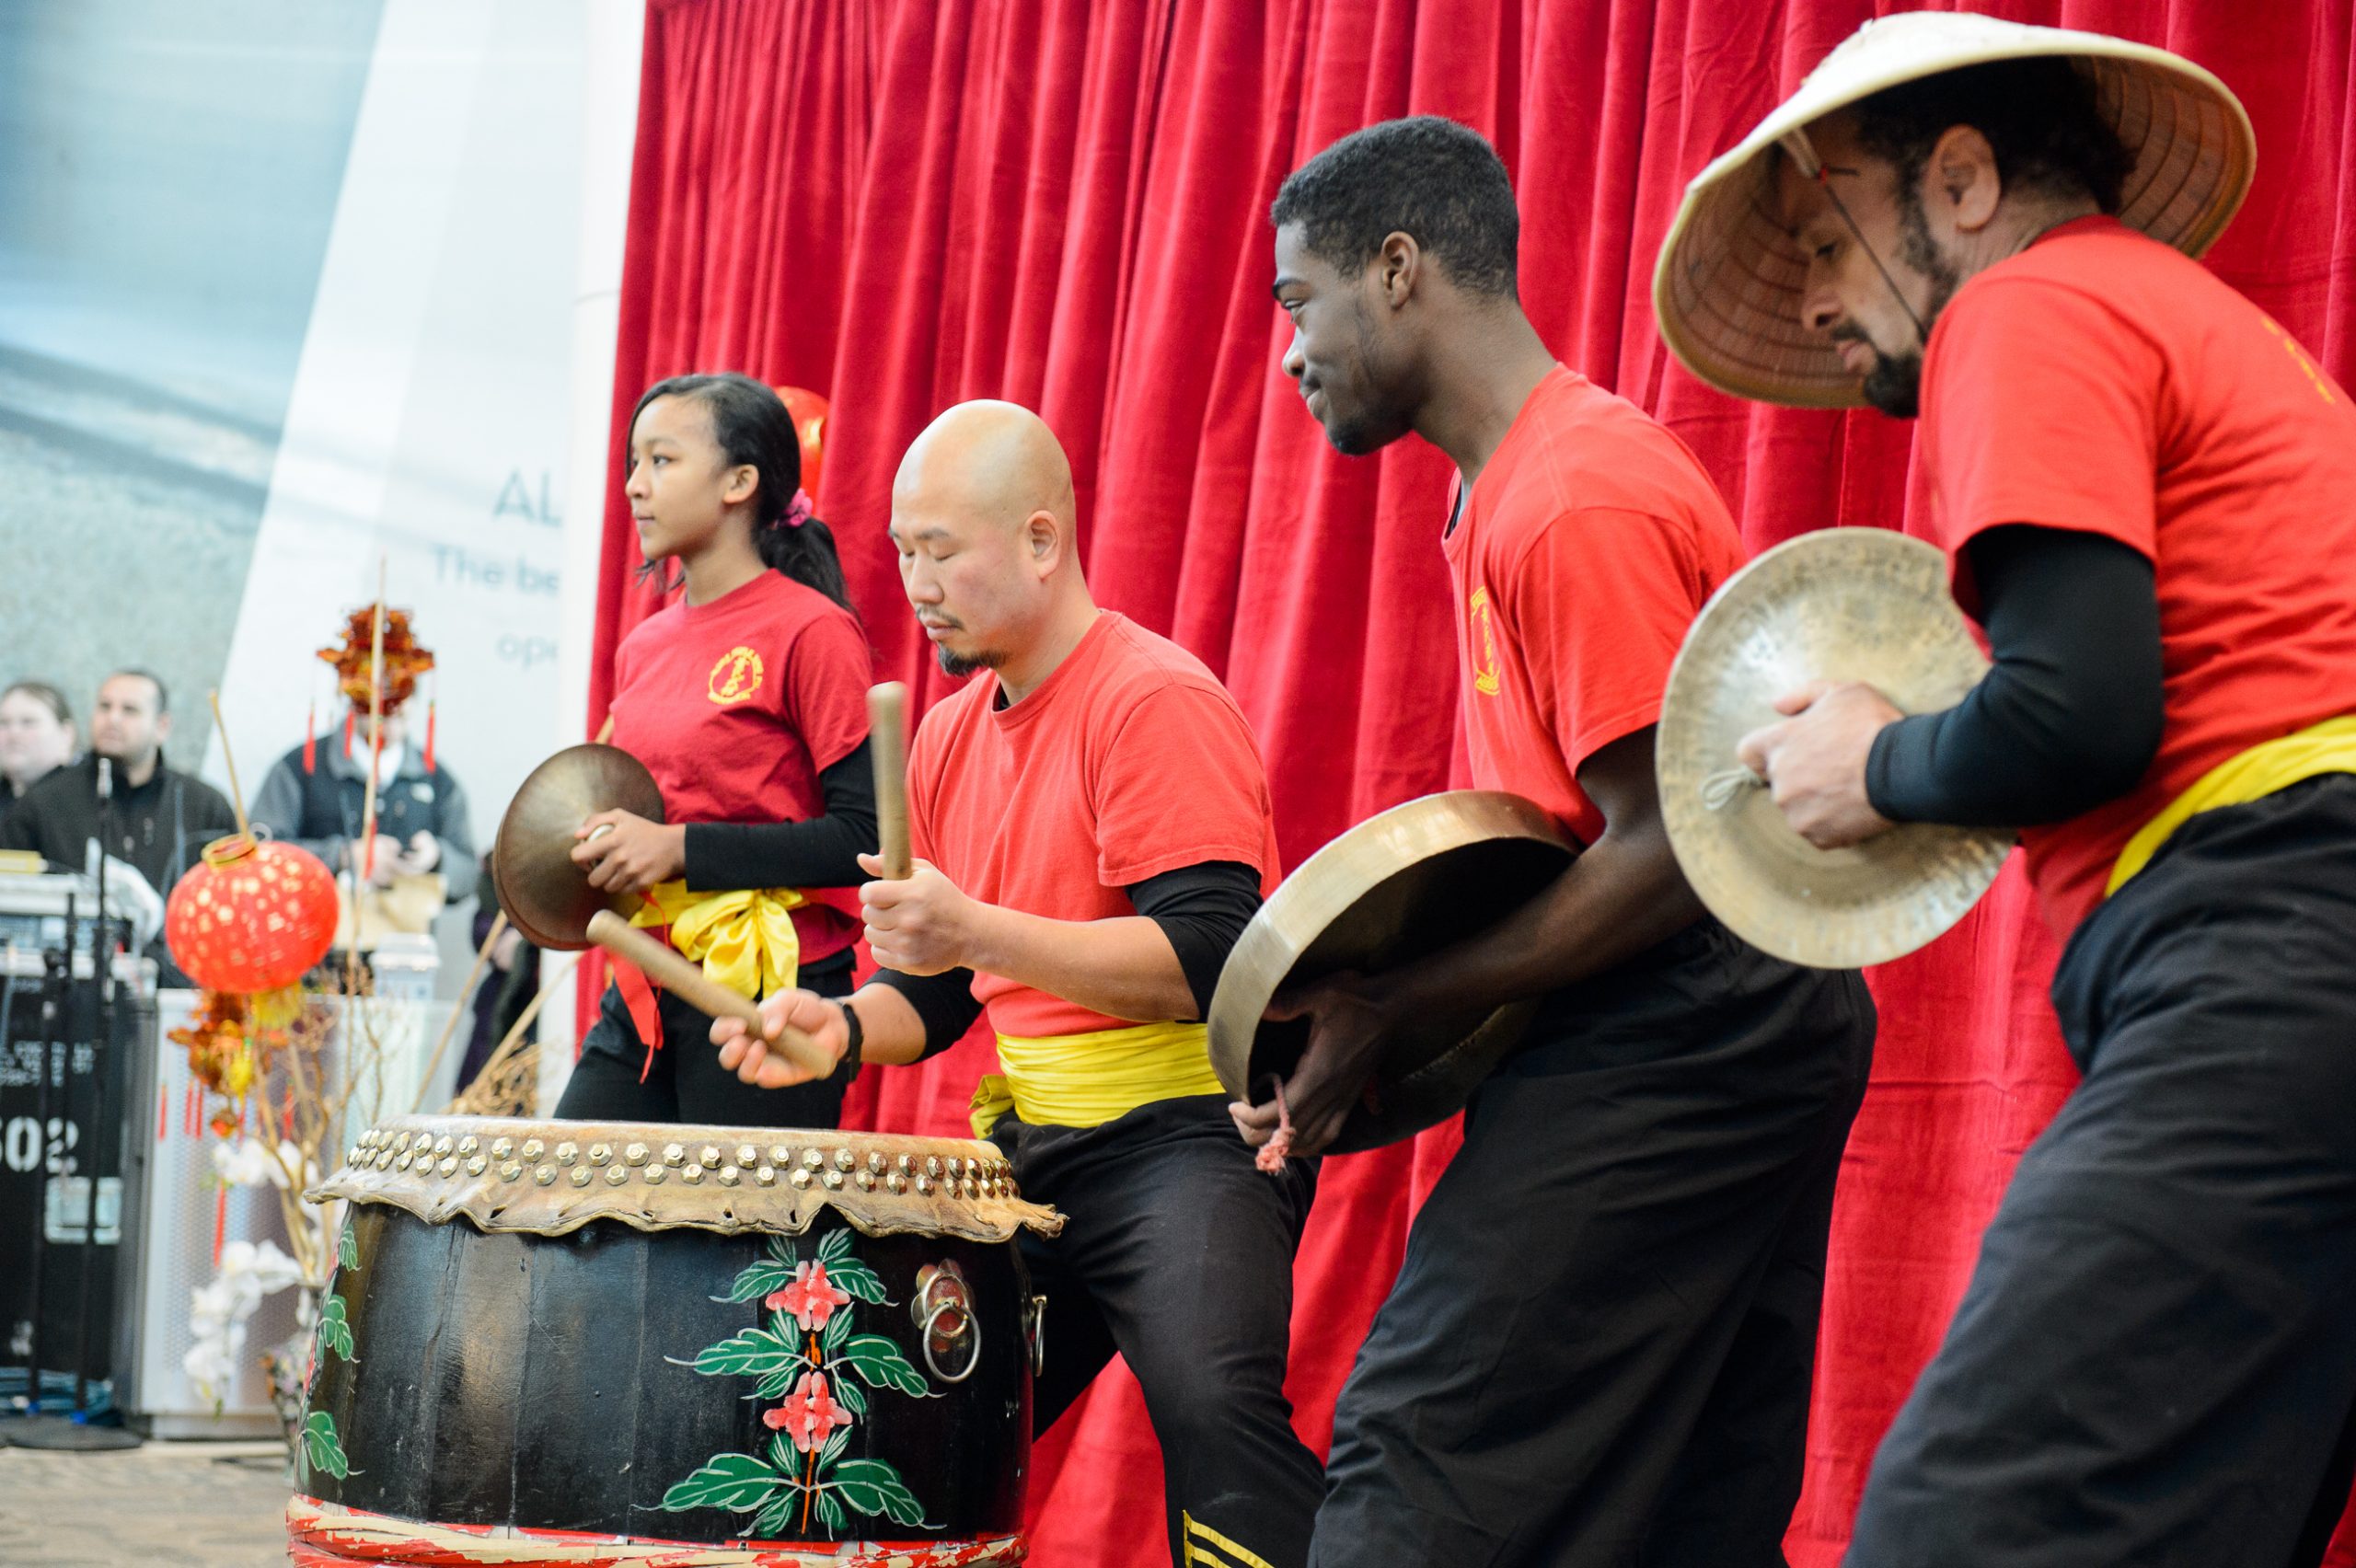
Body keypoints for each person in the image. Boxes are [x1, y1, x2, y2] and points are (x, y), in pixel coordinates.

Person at [1655, 15, 2356, 1565]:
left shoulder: (2024, 306)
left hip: (2280, 940)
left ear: (1961, 180)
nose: (1822, 300)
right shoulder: (2188, 324)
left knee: (1967, 1525)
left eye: (1826, 240)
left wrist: (1875, 761)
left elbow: (2079, 712)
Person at [1246, 118, 1876, 1567]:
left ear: (1397, 270)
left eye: (1301, 303)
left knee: (1421, 1463)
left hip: (1700, 1016)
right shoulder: (1499, 491)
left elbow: (1673, 855)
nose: (1290, 352)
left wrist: (1395, 1004)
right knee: (1681, 1515)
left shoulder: (1574, 492)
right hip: (1715, 1012)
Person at [713, 400, 1325, 1568]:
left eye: (941, 549)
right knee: (884, 1420)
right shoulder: (943, 738)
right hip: (1039, 1150)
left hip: (1195, 1136)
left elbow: (1209, 959)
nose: (916, 581)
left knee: (1212, 1409)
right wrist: (835, 1032)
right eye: (902, 551)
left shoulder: (1151, 700)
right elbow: (939, 996)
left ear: (1042, 542)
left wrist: (974, 924)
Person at [553, 372, 879, 1128]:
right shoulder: (645, 644)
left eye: (662, 462)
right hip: (645, 985)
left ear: (741, 481)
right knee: (565, 1216)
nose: (636, 486)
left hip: (768, 990)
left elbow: (865, 842)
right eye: (634, 464)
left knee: (738, 1246)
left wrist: (678, 850)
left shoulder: (811, 629)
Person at [2, 670, 240, 974]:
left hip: (179, 985)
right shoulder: (45, 802)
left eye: (130, 710)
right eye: (104, 706)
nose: (112, 718)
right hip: (70, 981)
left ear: (162, 726)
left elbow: (232, 901)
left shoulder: (202, 804)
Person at [250, 706, 479, 909]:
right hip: (315, 942)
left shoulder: (439, 781)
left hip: (405, 946)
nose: (391, 702)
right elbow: (258, 856)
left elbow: (470, 875)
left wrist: (437, 858)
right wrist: (344, 856)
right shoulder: (299, 768)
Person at [0, 680, 77, 832]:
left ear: (66, 733)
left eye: (28, 722)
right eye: (4, 723)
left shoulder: (88, 800)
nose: (13, 733)